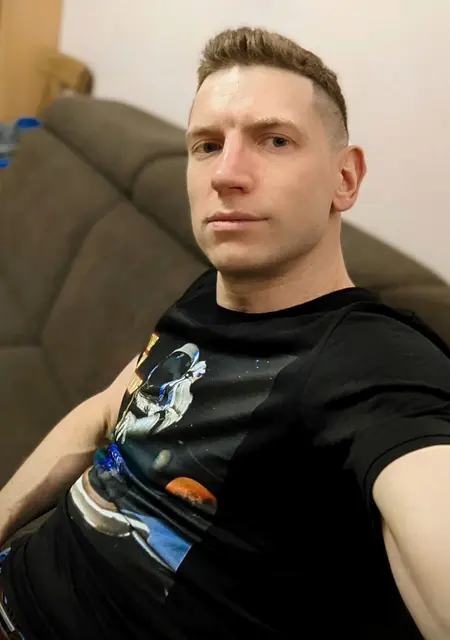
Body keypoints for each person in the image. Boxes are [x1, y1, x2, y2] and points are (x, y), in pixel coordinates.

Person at [0, 25, 449, 640]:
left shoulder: (371, 362)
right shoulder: (209, 292)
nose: (227, 173)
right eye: (208, 145)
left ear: (345, 179)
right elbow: (106, 410)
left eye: (274, 140)